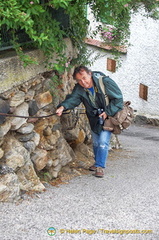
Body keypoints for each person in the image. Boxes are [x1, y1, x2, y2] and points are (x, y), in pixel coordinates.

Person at [56, 66, 123, 177]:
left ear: (90, 74)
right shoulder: (80, 88)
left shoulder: (105, 82)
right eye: (79, 80)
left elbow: (118, 99)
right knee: (96, 143)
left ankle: (100, 167)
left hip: (108, 118)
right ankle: (97, 163)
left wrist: (108, 112)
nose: (83, 82)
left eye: (84, 78)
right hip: (94, 119)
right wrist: (62, 107)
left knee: (102, 142)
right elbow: (73, 99)